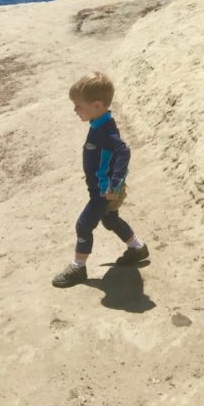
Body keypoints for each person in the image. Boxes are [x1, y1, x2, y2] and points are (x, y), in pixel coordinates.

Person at [52, 72, 149, 288]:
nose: (75, 110)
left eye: (78, 106)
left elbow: (123, 151)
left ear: (96, 105)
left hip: (103, 192)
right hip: (101, 187)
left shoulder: (106, 131)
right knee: (110, 220)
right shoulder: (99, 124)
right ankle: (137, 248)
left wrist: (114, 184)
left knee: (84, 225)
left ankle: (78, 268)